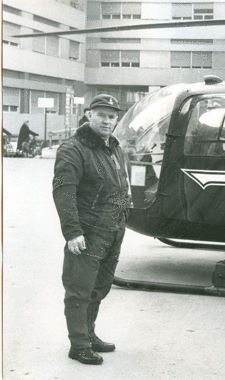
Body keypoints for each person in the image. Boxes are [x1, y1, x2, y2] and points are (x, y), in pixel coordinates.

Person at [53, 94, 130, 365]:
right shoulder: (72, 149)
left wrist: (124, 212)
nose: (107, 120)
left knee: (100, 288)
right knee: (79, 289)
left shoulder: (114, 147)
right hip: (87, 233)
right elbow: (63, 189)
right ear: (89, 115)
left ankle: (89, 333)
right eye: (101, 115)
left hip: (113, 230)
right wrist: (72, 231)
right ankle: (79, 345)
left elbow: (120, 186)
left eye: (111, 116)